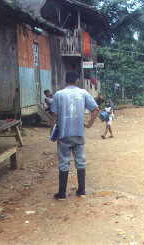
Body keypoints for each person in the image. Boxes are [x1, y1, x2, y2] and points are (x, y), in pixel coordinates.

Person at [50, 72, 100, 200]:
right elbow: (95, 109)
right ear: (77, 80)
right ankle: (82, 190)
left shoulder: (58, 94)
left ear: (65, 81)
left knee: (64, 162)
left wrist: (53, 130)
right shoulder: (83, 93)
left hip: (63, 134)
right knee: (81, 161)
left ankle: (62, 194)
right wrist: (89, 124)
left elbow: (54, 115)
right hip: (78, 133)